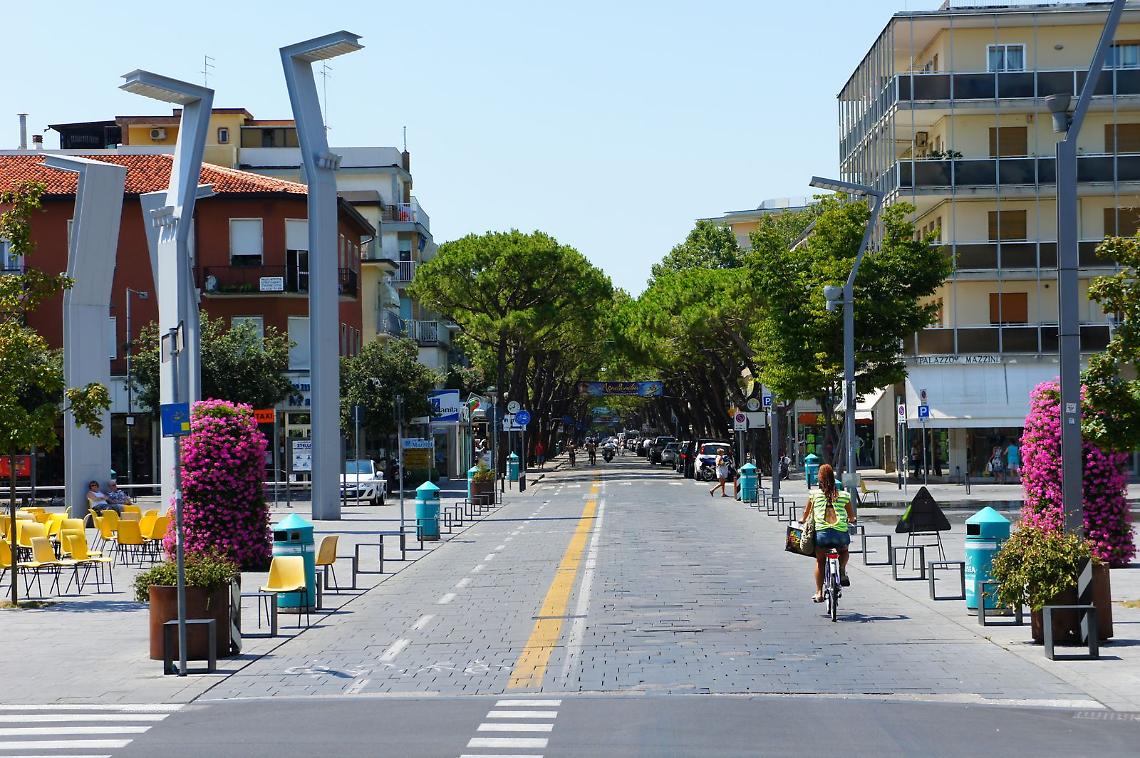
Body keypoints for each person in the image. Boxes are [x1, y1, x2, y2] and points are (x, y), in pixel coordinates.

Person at [800, 463, 856, 603]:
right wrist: (852, 520)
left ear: (820, 479)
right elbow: (852, 516)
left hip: (822, 536)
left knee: (820, 561)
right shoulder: (844, 495)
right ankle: (842, 569)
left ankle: (819, 592)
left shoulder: (814, 495)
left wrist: (802, 520)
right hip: (840, 535)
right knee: (843, 550)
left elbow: (805, 515)